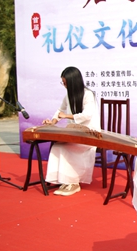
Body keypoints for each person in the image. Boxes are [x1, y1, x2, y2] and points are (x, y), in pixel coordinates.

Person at [43, 66, 101, 196]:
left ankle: (74, 183)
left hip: (89, 134)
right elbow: (60, 110)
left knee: (66, 148)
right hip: (75, 133)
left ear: (73, 82)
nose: (64, 86)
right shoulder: (68, 96)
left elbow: (87, 115)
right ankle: (64, 180)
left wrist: (67, 116)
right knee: (57, 146)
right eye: (63, 83)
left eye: (65, 83)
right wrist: (52, 121)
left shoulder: (88, 94)